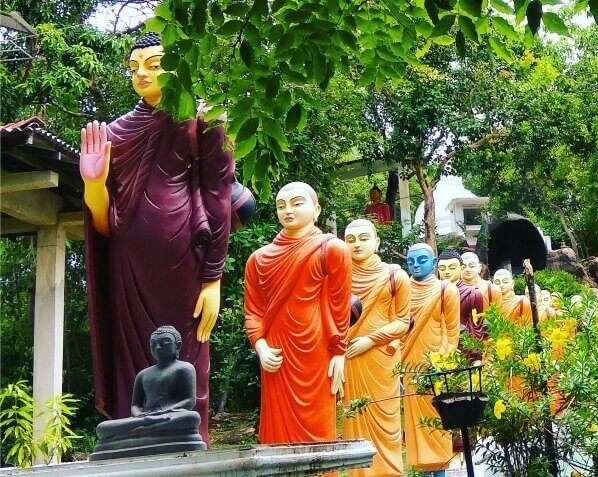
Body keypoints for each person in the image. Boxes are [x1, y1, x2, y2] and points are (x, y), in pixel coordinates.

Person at [82, 33, 233, 442]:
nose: (142, 73)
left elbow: (218, 196)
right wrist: (93, 183)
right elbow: (103, 225)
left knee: (188, 359)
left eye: (154, 63)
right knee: (132, 369)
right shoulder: (115, 133)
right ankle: (132, 452)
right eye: (134, 67)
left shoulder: (205, 120)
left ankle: (188, 453)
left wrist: (213, 277)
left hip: (184, 257)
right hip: (128, 262)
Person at [244, 182, 351, 443]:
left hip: (316, 348)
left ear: (316, 210)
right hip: (276, 351)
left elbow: (340, 305)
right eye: (281, 206)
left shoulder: (332, 249)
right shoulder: (258, 259)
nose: (288, 210)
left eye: (296, 203)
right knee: (278, 429)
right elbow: (253, 310)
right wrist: (260, 347)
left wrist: (339, 352)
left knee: (319, 424)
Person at [343, 218, 410, 477]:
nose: (357, 244)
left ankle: (388, 472)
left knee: (386, 419)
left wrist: (370, 340)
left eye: (363, 238)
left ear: (377, 242)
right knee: (353, 417)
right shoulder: (338, 276)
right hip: (349, 355)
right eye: (350, 239)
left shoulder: (395, 276)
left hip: (381, 358)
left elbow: (403, 322)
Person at [91, 326, 205, 460]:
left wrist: (165, 412)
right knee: (102, 428)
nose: (158, 347)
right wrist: (141, 416)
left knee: (192, 418)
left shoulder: (185, 368)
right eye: (153, 344)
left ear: (178, 345)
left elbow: (189, 401)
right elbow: (135, 405)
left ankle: (139, 432)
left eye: (164, 343)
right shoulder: (143, 374)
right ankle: (148, 427)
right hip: (145, 417)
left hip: (170, 415)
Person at [402, 243, 460, 476]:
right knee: (416, 422)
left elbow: (452, 331)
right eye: (411, 261)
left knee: (438, 417)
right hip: (409, 362)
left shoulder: (447, 290)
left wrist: (441, 363)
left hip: (436, 364)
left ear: (434, 263)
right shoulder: (402, 289)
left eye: (422, 260)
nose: (416, 265)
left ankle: (440, 471)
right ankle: (424, 471)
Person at [437, 249, 485, 342]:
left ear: (461, 268)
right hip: (439, 340)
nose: (447, 272)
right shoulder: (434, 292)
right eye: (442, 268)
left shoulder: (473, 293)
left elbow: (477, 325)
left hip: (464, 341)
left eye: (452, 267)